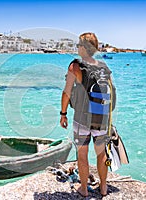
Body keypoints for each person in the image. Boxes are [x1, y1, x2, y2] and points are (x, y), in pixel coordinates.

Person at [60, 32, 116, 197]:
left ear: (84, 48)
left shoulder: (75, 66)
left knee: (82, 153)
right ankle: (103, 187)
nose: (77, 48)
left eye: (78, 45)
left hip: (82, 119)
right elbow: (111, 95)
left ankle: (84, 189)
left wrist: (63, 114)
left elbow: (66, 93)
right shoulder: (105, 68)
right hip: (101, 119)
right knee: (101, 153)